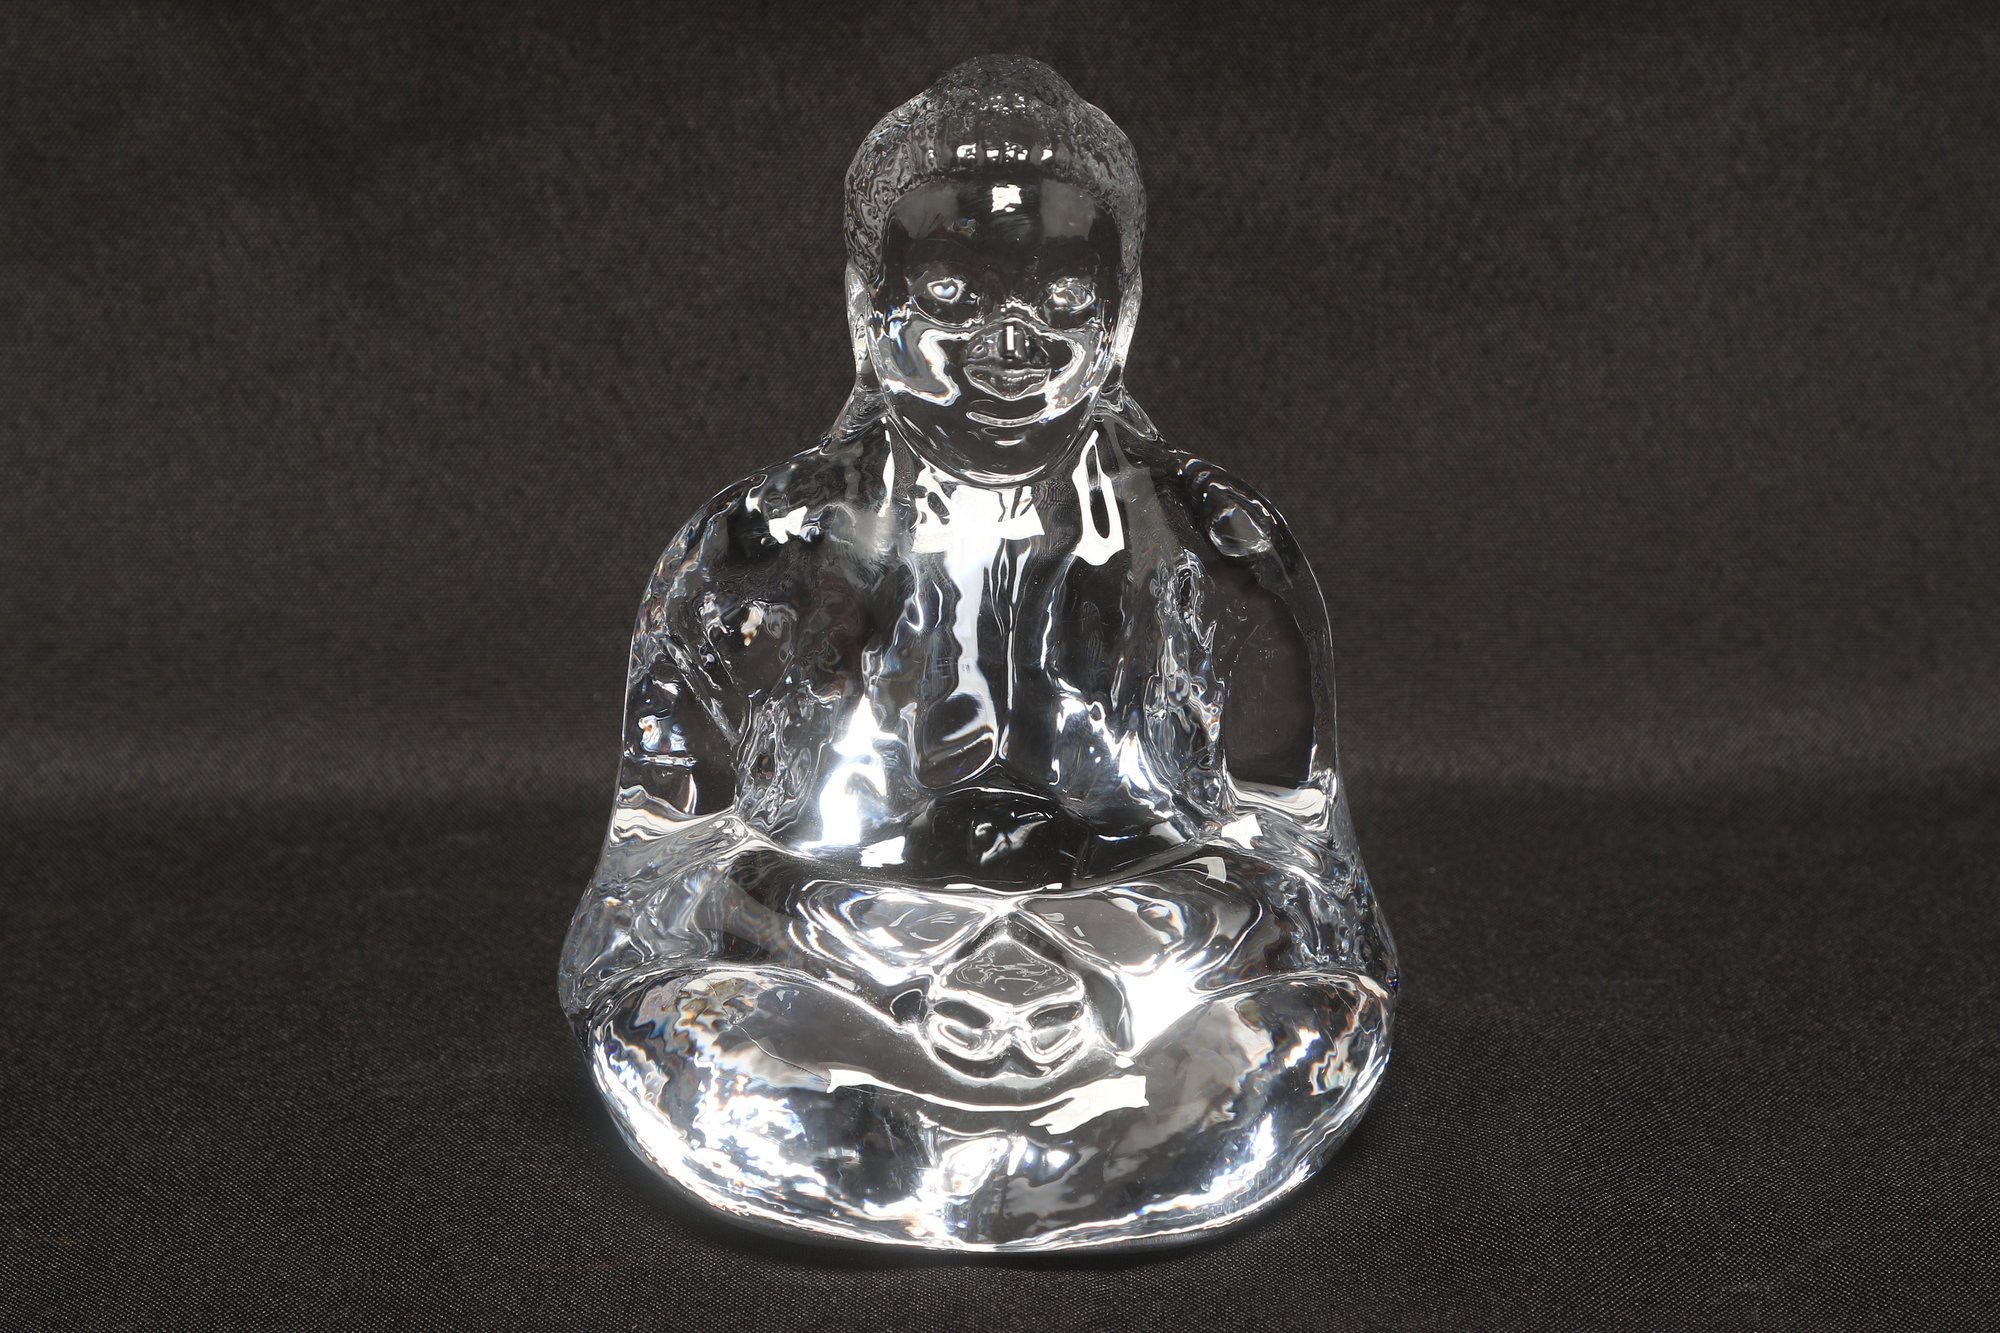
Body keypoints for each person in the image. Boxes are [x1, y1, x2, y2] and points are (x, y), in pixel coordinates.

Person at [560, 56, 1395, 1251]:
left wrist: (1091, 956)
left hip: (1140, 986)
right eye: (950, 298)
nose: (1011, 350)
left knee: (1297, 1014)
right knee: (691, 1013)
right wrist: (886, 952)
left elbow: (1307, 876)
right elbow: (649, 878)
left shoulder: (1218, 547)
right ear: (867, 306)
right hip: (839, 972)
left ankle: (975, 1139)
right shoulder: (760, 547)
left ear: (1122, 315)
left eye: (1064, 306)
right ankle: (1020, 1142)